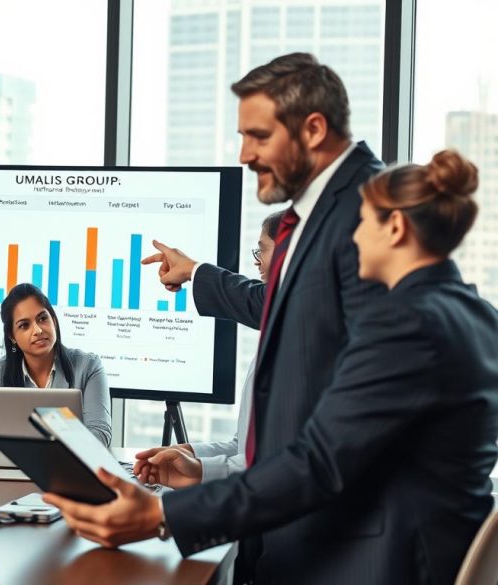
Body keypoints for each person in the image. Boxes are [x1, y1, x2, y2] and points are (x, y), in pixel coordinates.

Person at [46, 150, 498, 584]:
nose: (349, 241)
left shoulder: (406, 326)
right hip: (429, 551)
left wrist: (161, 515)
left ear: (395, 227)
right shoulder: (474, 313)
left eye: (357, 227)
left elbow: (316, 464)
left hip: (382, 564)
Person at [139, 53, 385, 580]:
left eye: (257, 136)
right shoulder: (318, 215)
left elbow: (340, 446)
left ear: (313, 129)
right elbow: (280, 303)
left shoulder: (370, 216)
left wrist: (165, 515)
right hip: (292, 535)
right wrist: (197, 272)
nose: (244, 154)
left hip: (339, 550)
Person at [136, 211, 285, 483]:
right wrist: (188, 454)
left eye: (262, 250)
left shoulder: (300, 335)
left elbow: (274, 466)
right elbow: (243, 447)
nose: (257, 262)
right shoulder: (275, 336)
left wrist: (194, 270)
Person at [0, 283, 112, 446]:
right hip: (11, 468)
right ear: (12, 336)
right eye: (24, 325)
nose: (38, 330)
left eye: (42, 318)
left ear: (54, 321)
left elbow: (99, 434)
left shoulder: (89, 367)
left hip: (68, 469)